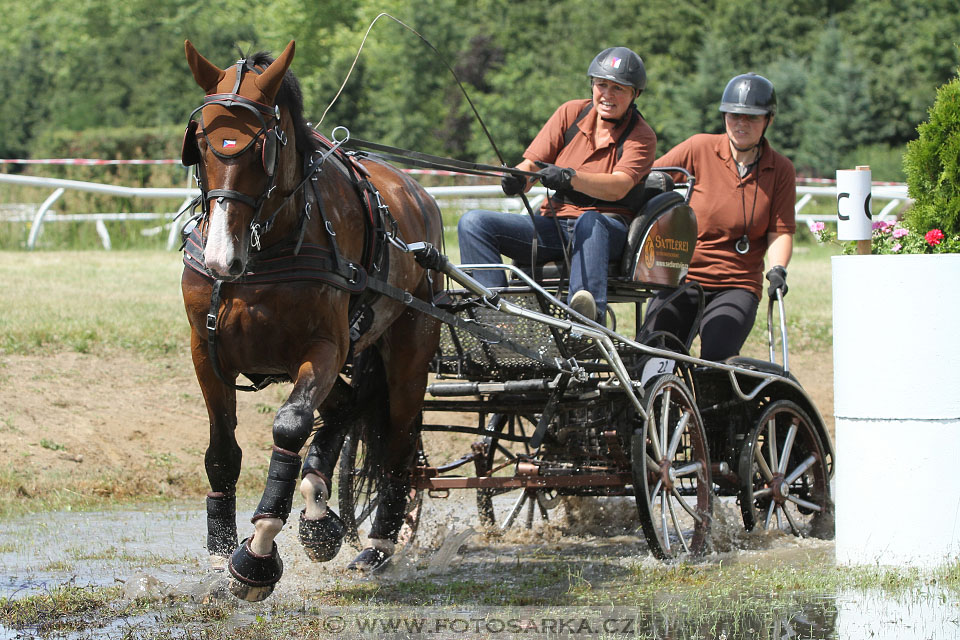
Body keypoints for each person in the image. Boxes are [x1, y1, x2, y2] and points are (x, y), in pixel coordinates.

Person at [457, 47, 657, 322]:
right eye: (602, 85)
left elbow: (619, 186)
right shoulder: (570, 113)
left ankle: (583, 318)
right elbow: (531, 166)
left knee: (590, 221)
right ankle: (495, 313)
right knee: (474, 222)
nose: (607, 95)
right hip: (554, 226)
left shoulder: (641, 136)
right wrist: (517, 179)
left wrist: (569, 177)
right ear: (592, 85)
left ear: (635, 94)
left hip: (607, 229)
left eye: (618, 88)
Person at [643, 72, 796, 361]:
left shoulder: (781, 170)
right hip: (681, 278)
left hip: (737, 284)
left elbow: (781, 230)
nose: (741, 124)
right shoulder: (698, 148)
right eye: (734, 115)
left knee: (718, 356)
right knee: (654, 352)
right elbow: (649, 181)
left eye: (751, 117)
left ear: (768, 120)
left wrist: (778, 270)